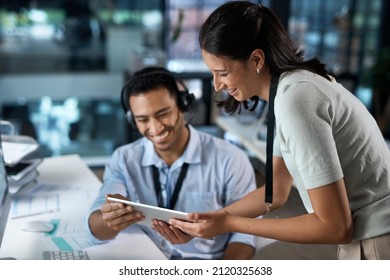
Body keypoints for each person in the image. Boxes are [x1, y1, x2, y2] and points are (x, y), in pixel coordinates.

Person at [169, 1, 390, 260]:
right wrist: (219, 217)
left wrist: (229, 224)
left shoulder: (295, 98)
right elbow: (275, 191)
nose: (217, 85)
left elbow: (335, 226)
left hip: (377, 240)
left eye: (223, 73)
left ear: (256, 59)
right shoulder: (287, 90)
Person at [85, 66, 257, 260]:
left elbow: (244, 235)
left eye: (163, 114)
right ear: (132, 121)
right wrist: (109, 219)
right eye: (143, 119)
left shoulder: (231, 159)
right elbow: (95, 229)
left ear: (183, 105)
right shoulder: (124, 159)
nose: (155, 128)